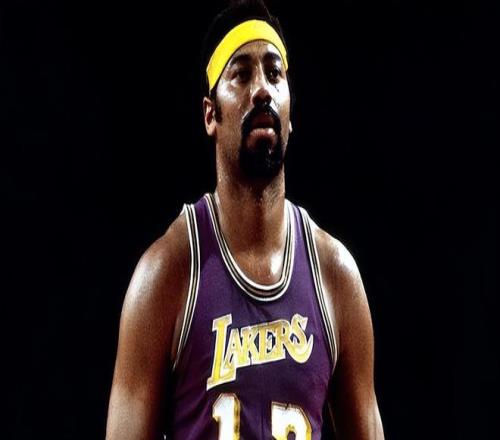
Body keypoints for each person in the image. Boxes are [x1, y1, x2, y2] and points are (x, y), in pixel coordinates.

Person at [106, 1, 385, 438]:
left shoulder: (335, 276)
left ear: (291, 115)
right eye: (240, 74)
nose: (262, 90)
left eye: (274, 73)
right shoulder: (168, 273)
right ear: (210, 114)